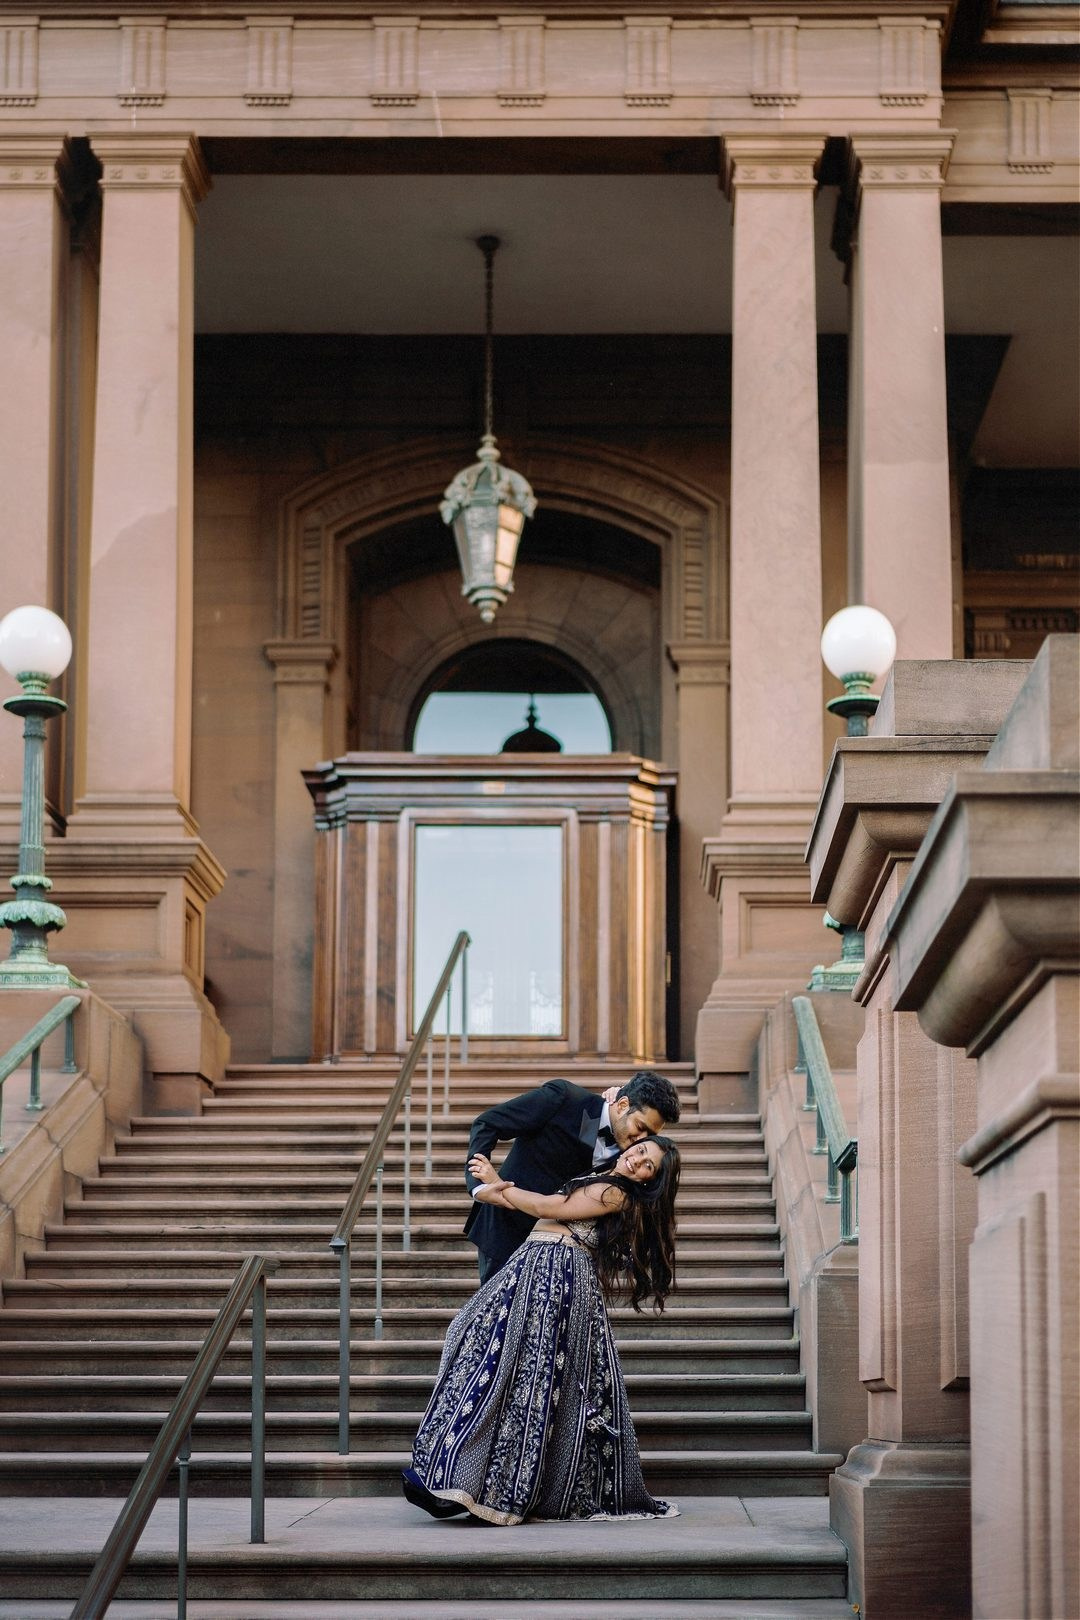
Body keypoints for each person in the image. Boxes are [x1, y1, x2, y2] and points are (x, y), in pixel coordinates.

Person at [402, 1133, 682, 1525]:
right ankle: (460, 1476)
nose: (636, 1160)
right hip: (536, 1266)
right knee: (483, 1349)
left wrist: (497, 1181)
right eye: (639, 1151)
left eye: (648, 1164)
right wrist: (492, 1190)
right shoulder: (604, 1178)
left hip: (554, 1276)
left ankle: (485, 1486)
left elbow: (548, 1206)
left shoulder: (615, 1192)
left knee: (525, 1379)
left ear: (651, 1179)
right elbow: (538, 1207)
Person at [463, 1070, 682, 1282]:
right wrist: (480, 1188)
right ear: (622, 1105)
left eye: (650, 1134)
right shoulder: (564, 1098)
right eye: (640, 1127)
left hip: (560, 1261)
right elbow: (487, 1123)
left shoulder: (633, 1158)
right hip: (506, 1232)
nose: (642, 1139)